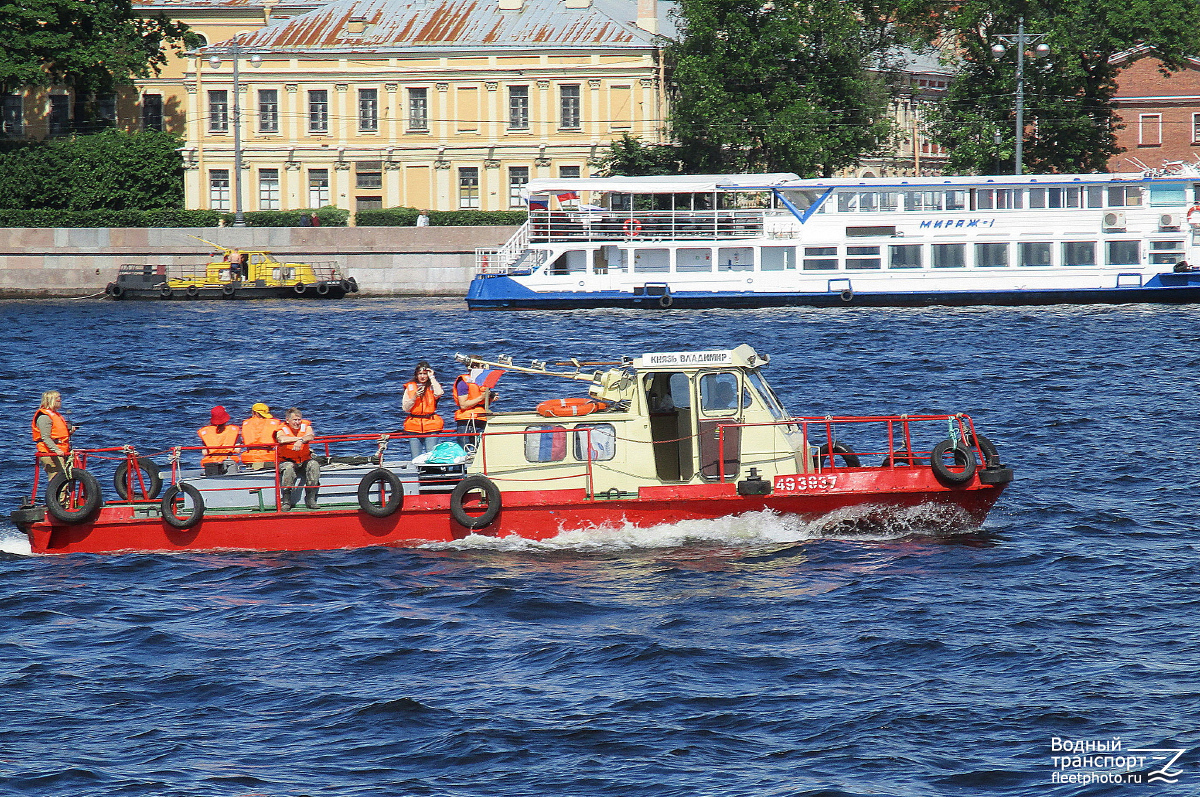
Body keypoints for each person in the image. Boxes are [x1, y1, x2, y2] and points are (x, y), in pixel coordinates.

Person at [275, 407, 320, 511]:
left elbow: (310, 436)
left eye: (299, 419)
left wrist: (301, 440)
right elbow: (281, 439)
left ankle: (311, 498)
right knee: (288, 467)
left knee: (314, 465)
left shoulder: (306, 427)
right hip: (287, 460)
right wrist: (298, 439)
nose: (297, 422)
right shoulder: (281, 429)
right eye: (294, 420)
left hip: (304, 460)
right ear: (287, 420)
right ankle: (286, 500)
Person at [402, 361, 444, 460]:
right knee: (416, 458)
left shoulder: (433, 386)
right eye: (420, 374)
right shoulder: (410, 387)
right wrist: (414, 397)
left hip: (431, 425)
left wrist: (432, 377)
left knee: (431, 455)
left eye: (425, 374)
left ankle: (432, 473)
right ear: (416, 375)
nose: (422, 376)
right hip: (414, 426)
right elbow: (405, 408)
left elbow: (439, 392)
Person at [32, 390, 75, 480]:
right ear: (50, 400)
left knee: (65, 479)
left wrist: (70, 432)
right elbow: (45, 437)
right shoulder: (44, 417)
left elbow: (57, 433)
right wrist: (56, 450)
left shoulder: (56, 415)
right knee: (57, 479)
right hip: (50, 452)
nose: (60, 400)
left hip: (62, 451)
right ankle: (57, 494)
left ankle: (65, 494)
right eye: (57, 398)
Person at [452, 358, 492, 448]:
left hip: (481, 419)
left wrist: (490, 398)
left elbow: (484, 404)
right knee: (465, 449)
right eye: (482, 366)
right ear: (474, 367)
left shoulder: (483, 382)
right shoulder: (463, 382)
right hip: (466, 419)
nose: (484, 369)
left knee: (481, 449)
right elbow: (463, 404)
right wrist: (481, 397)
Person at [197, 406, 241, 476]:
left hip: (211, 463)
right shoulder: (234, 430)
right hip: (229, 461)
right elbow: (237, 450)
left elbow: (204, 452)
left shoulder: (205, 432)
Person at [241, 402, 283, 470]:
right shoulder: (275, 423)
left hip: (249, 458)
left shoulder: (245, 423)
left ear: (254, 412)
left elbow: (243, 439)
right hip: (269, 457)